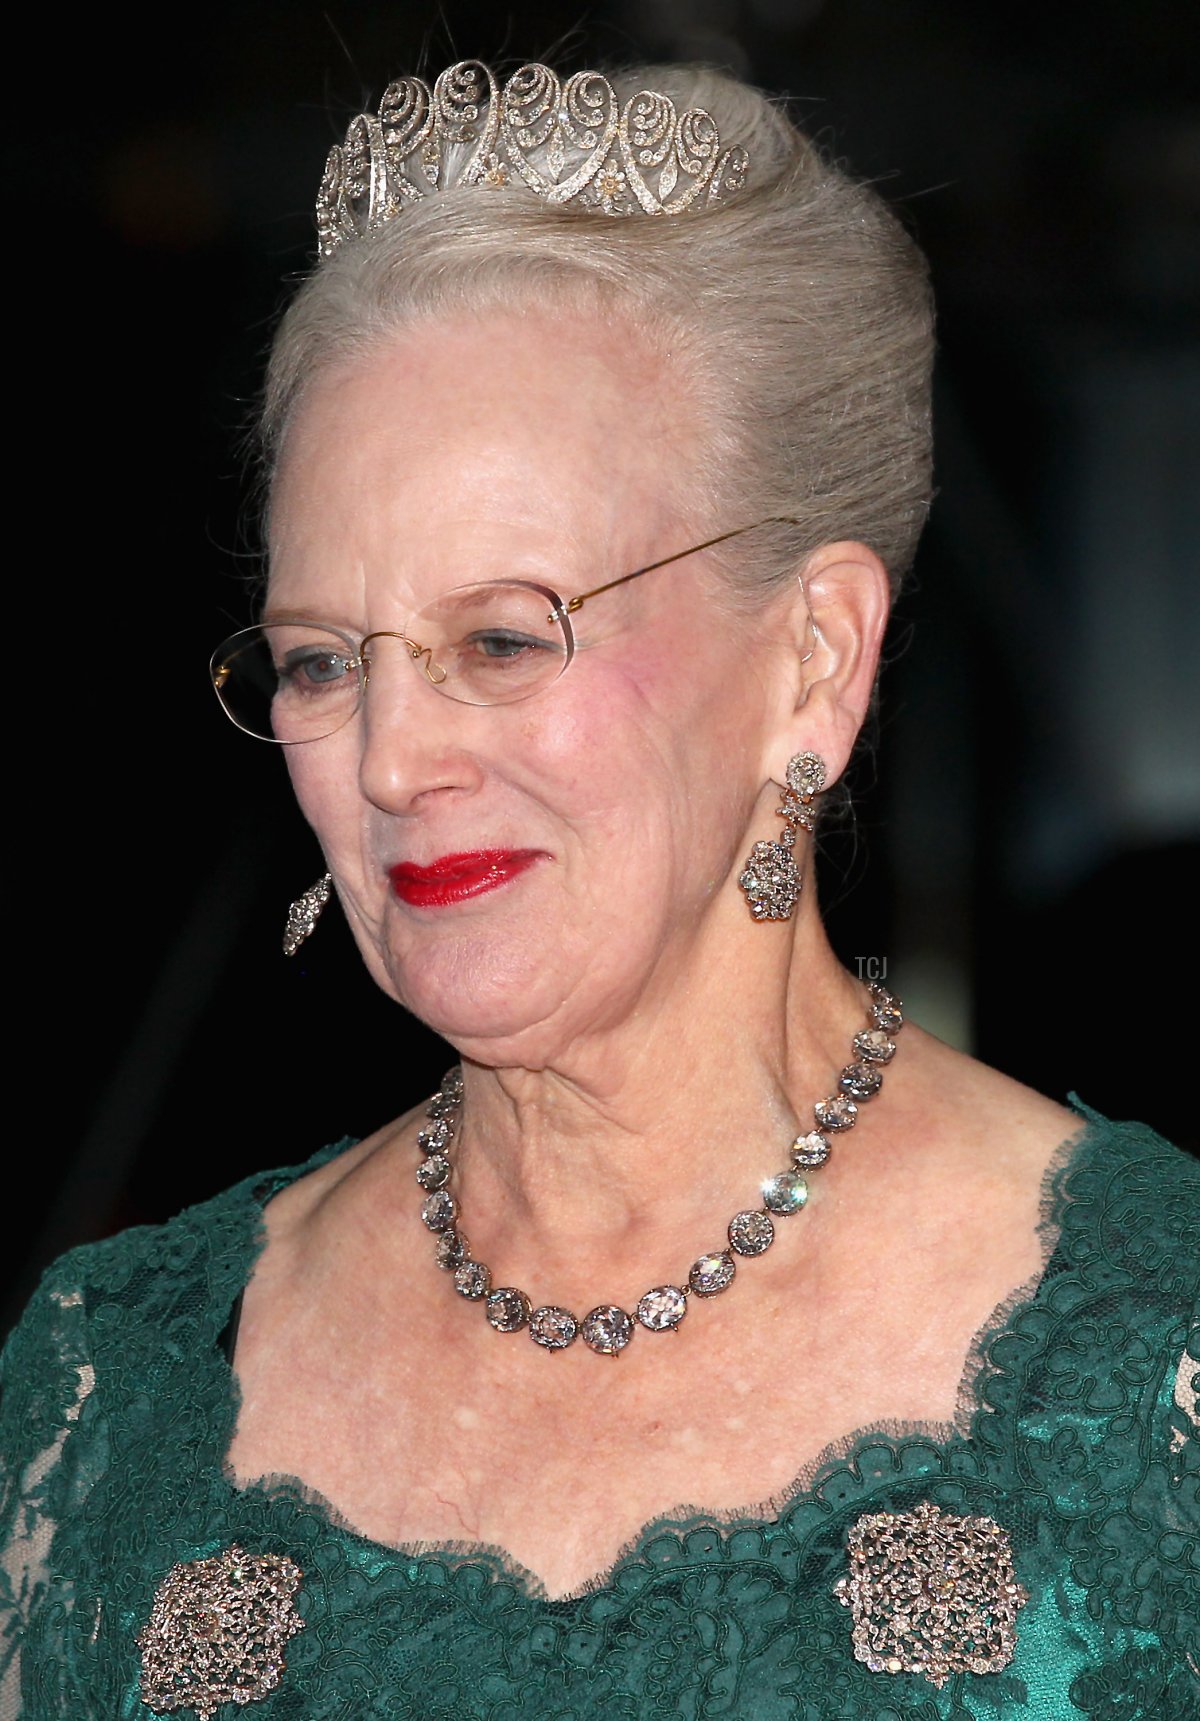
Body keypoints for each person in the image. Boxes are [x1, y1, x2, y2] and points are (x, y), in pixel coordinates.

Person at [2, 55, 1195, 1721]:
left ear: (813, 659)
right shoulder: (102, 1394)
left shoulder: (1162, 1355)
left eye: (502, 638)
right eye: (322, 660)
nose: (392, 759)